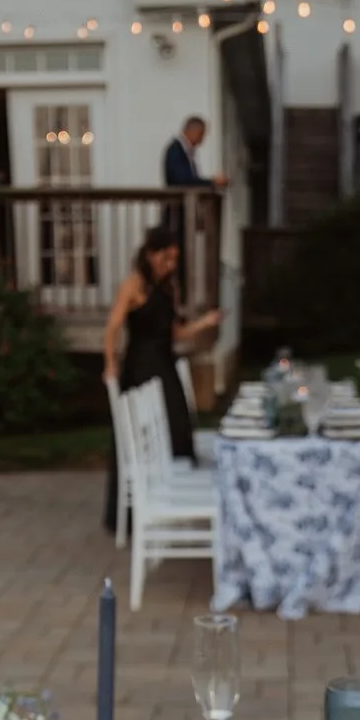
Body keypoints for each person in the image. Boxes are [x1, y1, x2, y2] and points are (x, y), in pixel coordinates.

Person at [101, 224, 222, 531]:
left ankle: (172, 501)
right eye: (166, 258)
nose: (170, 264)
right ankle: (137, 510)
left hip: (165, 363)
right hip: (140, 365)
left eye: (174, 259)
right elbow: (113, 327)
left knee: (179, 425)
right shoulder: (133, 285)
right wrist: (109, 363)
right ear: (151, 254)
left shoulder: (169, 288)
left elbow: (176, 333)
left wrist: (205, 322)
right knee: (148, 432)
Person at [162, 117, 225, 190]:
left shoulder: (186, 151)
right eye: (201, 135)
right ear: (193, 132)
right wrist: (212, 182)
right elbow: (183, 181)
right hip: (179, 197)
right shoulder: (175, 150)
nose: (202, 140)